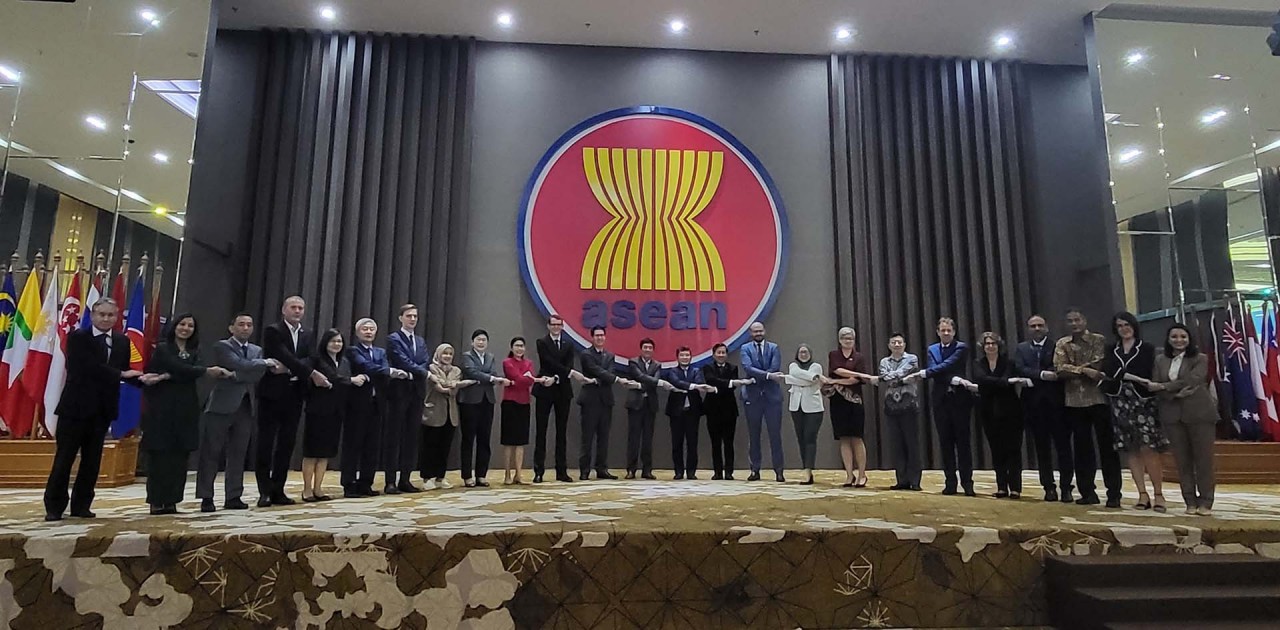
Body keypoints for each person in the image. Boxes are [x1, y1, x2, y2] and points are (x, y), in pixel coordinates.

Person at [44, 298, 144, 521]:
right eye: (102, 314)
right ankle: (54, 506)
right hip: (75, 409)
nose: (106, 319)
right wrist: (120, 374)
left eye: (111, 315)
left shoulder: (121, 341)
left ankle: (82, 505)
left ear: (117, 317)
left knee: (92, 461)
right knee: (64, 459)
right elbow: (84, 367)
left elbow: (124, 370)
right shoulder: (79, 337)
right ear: (93, 315)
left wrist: (143, 380)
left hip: (102, 410)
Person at [140, 313, 231, 514]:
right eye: (182, 324)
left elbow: (186, 371)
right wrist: (201, 371)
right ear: (174, 326)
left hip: (186, 407)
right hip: (162, 408)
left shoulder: (194, 351)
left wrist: (169, 376)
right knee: (160, 455)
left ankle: (172, 500)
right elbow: (181, 368)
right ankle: (156, 500)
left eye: (190, 325)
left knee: (180, 455)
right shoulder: (163, 348)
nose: (186, 328)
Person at [197, 313, 278, 513]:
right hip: (220, 406)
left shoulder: (256, 349)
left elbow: (255, 374)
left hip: (245, 406)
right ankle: (206, 496)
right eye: (241, 324)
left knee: (238, 454)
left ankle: (234, 496)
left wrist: (233, 375)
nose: (245, 328)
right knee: (211, 453)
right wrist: (265, 363)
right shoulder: (222, 346)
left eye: (249, 325)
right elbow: (239, 364)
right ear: (231, 328)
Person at [257, 295, 327, 507]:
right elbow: (282, 354)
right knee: (266, 443)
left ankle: (279, 489)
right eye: (293, 307)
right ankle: (265, 491)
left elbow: (311, 357)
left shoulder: (308, 334)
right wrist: (309, 372)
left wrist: (292, 368)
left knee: (286, 445)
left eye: (300, 308)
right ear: (284, 310)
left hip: (295, 394)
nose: (297, 311)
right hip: (272, 394)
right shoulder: (273, 330)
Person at [1054, 307, 1123, 508]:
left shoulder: (1098, 340)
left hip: (1099, 399)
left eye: (1077, 320)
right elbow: (1060, 368)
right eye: (1070, 321)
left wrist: (1076, 369)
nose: (1074, 324)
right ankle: (1087, 492)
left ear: (1085, 320)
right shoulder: (1062, 343)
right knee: (1082, 449)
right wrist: (1084, 370)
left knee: (1107, 449)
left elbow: (1099, 366)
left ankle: (1113, 494)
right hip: (1074, 402)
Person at [1101, 311, 1167, 511]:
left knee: (1148, 448)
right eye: (1120, 326)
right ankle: (1142, 494)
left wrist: (1132, 378)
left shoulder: (1146, 348)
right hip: (1120, 401)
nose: (1124, 329)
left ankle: (1158, 494)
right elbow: (1110, 371)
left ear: (1134, 326)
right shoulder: (1112, 349)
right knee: (1131, 449)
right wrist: (1132, 377)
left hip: (1143, 402)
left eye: (1127, 324)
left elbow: (1147, 370)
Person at [1148, 323, 1217, 516]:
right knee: (1182, 460)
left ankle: (1205, 501)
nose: (1179, 340)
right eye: (1174, 337)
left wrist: (1164, 387)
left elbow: (1192, 380)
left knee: (1203, 460)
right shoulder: (1160, 360)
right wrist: (1166, 390)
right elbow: (1155, 383)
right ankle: (1190, 501)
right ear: (1168, 340)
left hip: (1199, 414)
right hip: (1172, 414)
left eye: (1183, 337)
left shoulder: (1200, 358)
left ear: (1189, 339)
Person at [913, 317, 976, 496]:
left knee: (963, 444)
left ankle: (967, 483)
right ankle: (950, 483)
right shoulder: (932, 349)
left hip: (960, 400)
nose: (946, 333)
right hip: (940, 400)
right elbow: (938, 370)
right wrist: (954, 379)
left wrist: (924, 373)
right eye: (943, 330)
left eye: (949, 330)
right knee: (945, 443)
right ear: (938, 332)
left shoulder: (961, 347)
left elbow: (947, 366)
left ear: (954, 332)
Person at [344, 318, 407, 498]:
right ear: (357, 332)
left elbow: (382, 369)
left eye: (372, 329)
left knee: (371, 446)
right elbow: (365, 366)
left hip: (377, 403)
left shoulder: (380, 351)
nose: (369, 332)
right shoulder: (352, 350)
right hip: (356, 404)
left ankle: (366, 483)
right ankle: (349, 484)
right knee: (353, 445)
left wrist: (382, 372)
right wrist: (384, 372)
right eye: (365, 329)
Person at [1014, 314, 1073, 503]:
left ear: (1046, 327)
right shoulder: (1022, 348)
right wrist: (1041, 374)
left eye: (1040, 325)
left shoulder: (1058, 346)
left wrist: (1047, 375)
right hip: (1033, 406)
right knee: (1042, 449)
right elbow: (1020, 368)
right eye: (1033, 326)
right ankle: (1048, 487)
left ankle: (1066, 487)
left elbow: (1060, 368)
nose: (1037, 328)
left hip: (1058, 405)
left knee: (1063, 448)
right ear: (1028, 328)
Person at [300, 330, 365, 501]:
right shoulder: (317, 359)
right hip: (317, 410)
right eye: (333, 341)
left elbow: (341, 381)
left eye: (339, 341)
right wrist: (350, 381)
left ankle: (318, 488)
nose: (337, 344)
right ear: (325, 343)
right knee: (312, 452)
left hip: (336, 410)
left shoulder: (344, 361)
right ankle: (307, 489)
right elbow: (333, 378)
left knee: (325, 452)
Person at [577, 326, 640, 480]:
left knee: (604, 437)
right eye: (597, 335)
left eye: (602, 335)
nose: (599, 338)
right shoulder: (586, 354)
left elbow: (609, 373)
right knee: (587, 437)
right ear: (592, 337)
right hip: (590, 400)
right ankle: (585, 470)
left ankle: (601, 469)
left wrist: (600, 380)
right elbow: (595, 370)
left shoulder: (610, 355)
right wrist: (611, 379)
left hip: (606, 400)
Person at [973, 331, 1030, 499]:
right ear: (983, 347)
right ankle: (1002, 486)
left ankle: (1015, 488)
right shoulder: (978, 363)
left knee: (1013, 449)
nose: (990, 346)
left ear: (999, 346)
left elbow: (989, 383)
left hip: (1011, 411)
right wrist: (1004, 382)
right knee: (996, 450)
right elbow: (981, 379)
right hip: (988, 411)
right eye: (987, 344)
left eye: (993, 343)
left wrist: (995, 383)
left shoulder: (1009, 363)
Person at [458, 329, 512, 488]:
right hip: (469, 401)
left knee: (484, 439)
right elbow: (471, 372)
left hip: (487, 401)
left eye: (484, 340)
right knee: (468, 439)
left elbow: (493, 371)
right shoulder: (467, 356)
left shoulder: (490, 357)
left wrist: (489, 377)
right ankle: (467, 476)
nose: (481, 343)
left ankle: (481, 475)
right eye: (478, 340)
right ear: (472, 342)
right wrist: (490, 378)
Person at [532, 314, 581, 483]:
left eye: (559, 324)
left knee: (562, 432)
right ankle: (539, 471)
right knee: (541, 431)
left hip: (562, 390)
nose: (556, 327)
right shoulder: (542, 342)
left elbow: (569, 365)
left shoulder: (569, 344)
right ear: (548, 326)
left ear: (562, 326)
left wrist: (558, 378)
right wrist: (564, 373)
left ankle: (562, 471)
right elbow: (548, 362)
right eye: (553, 324)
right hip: (544, 389)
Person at [386, 304, 430, 494]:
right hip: (399, 391)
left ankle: (405, 479)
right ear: (400, 318)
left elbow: (425, 360)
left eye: (415, 316)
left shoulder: (420, 341)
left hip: (416, 392)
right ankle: (390, 481)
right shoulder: (393, 339)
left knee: (411, 438)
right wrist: (421, 373)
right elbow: (401, 359)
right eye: (409, 316)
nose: (413, 319)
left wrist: (416, 373)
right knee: (394, 437)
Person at [421, 343, 474, 488]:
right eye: (445, 353)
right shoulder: (431, 368)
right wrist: (455, 384)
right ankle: (427, 477)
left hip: (451, 413)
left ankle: (440, 477)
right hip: (433, 411)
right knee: (430, 446)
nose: (448, 356)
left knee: (445, 447)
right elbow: (440, 387)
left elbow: (452, 390)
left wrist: (452, 385)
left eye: (450, 354)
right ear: (438, 354)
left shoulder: (456, 370)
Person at [827, 327, 873, 488]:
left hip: (855, 401)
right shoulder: (834, 355)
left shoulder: (859, 357)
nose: (848, 341)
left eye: (850, 338)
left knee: (857, 438)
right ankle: (848, 475)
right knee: (843, 438)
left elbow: (855, 380)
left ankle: (861, 474)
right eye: (845, 338)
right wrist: (855, 375)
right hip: (838, 402)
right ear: (840, 340)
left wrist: (836, 381)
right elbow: (836, 370)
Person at [741, 322, 786, 482]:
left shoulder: (774, 348)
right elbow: (748, 368)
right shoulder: (745, 349)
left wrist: (767, 375)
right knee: (754, 436)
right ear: (750, 333)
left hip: (772, 398)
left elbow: (775, 367)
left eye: (760, 330)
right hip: (752, 398)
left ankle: (779, 471)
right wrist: (767, 376)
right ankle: (755, 470)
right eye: (755, 331)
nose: (758, 333)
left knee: (775, 436)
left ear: (764, 331)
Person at [501, 337, 548, 484]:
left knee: (521, 441)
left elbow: (527, 382)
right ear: (512, 347)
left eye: (522, 346)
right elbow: (520, 379)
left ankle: (518, 474)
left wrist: (526, 379)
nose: (519, 348)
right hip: (509, 402)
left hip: (524, 402)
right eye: (516, 345)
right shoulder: (507, 362)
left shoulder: (529, 363)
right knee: (509, 441)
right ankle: (507, 474)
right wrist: (526, 378)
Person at [879, 333, 922, 491]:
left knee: (912, 443)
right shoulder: (884, 361)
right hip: (891, 406)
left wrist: (894, 378)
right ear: (889, 345)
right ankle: (901, 480)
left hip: (908, 405)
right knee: (896, 444)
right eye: (893, 342)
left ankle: (915, 481)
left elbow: (908, 371)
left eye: (899, 342)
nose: (897, 344)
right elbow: (884, 377)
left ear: (904, 344)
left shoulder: (912, 358)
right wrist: (901, 379)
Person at [702, 343, 750, 480]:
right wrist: (729, 383)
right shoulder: (707, 367)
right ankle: (717, 472)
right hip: (712, 410)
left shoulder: (733, 368)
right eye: (718, 352)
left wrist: (720, 386)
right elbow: (711, 380)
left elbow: (732, 387)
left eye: (723, 352)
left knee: (729, 443)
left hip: (729, 410)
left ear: (726, 354)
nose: (721, 355)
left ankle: (729, 472)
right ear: (713, 354)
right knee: (715, 443)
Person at [666, 346, 714, 480]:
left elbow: (699, 383)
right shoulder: (672, 371)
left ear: (690, 357)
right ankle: (679, 472)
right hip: (676, 411)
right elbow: (676, 382)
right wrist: (691, 387)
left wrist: (688, 387)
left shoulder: (696, 370)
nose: (685, 358)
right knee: (677, 443)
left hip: (693, 411)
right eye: (682, 355)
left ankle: (691, 472)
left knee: (692, 443)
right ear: (677, 357)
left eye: (687, 355)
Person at [625, 338, 669, 480]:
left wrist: (639, 385)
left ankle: (647, 470)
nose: (647, 350)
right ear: (641, 349)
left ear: (653, 350)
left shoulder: (657, 365)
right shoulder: (633, 362)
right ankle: (631, 470)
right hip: (635, 404)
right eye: (645, 347)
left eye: (650, 347)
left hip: (650, 405)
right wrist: (657, 382)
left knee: (648, 439)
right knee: (634, 438)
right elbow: (639, 376)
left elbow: (651, 383)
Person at [785, 344, 825, 485]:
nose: (803, 354)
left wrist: (791, 379)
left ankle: (808, 470)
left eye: (806, 352)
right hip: (796, 407)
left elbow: (810, 382)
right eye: (801, 352)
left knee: (810, 438)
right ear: (797, 354)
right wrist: (810, 378)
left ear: (810, 353)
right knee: (801, 438)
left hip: (814, 408)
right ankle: (805, 470)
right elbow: (805, 378)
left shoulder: (816, 366)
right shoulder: (793, 365)